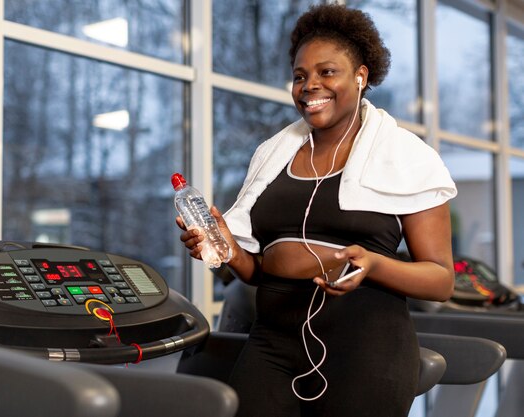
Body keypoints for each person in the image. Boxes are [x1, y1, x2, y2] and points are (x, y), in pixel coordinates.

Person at [176, 4, 457, 417]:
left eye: (327, 72)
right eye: (300, 75)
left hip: (365, 350)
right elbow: (261, 270)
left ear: (360, 76)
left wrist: (374, 265)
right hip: (272, 344)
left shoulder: (407, 157)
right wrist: (229, 250)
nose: (310, 85)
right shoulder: (272, 155)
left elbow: (441, 280)